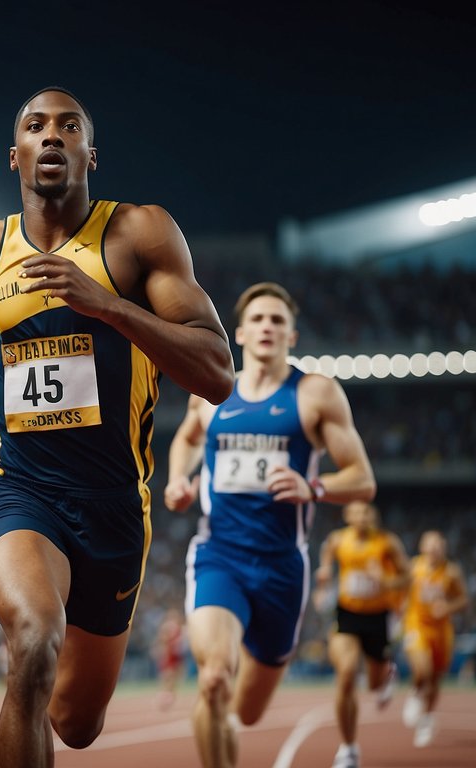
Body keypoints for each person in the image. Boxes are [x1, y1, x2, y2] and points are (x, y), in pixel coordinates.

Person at [0, 86, 235, 767]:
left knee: (77, 723)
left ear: (91, 153)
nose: (51, 136)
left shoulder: (140, 235)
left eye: (68, 126)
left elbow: (217, 371)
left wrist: (108, 306)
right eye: (35, 126)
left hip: (115, 509)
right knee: (32, 638)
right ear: (14, 155)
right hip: (21, 492)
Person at [164, 281, 377, 768]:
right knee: (214, 678)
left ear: (292, 335)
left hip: (283, 567)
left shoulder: (315, 393)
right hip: (220, 556)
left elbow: (363, 480)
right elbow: (187, 439)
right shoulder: (213, 389)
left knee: (248, 710)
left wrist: (314, 488)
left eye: (277, 320)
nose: (267, 327)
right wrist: (180, 479)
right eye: (258, 319)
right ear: (239, 333)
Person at [315, 500, 409, 768]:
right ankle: (348, 748)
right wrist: (324, 575)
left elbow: (408, 576)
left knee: (374, 685)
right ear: (347, 515)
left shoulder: (387, 543)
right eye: (356, 511)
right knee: (346, 673)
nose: (361, 516)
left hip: (378, 618)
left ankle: (387, 672)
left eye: (366, 512)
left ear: (373, 516)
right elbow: (327, 562)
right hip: (348, 614)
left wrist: (386, 581)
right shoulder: (337, 540)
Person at [400, 530, 466, 748]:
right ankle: (416, 692)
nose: (435, 549)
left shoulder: (452, 572)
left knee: (436, 678)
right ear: (422, 547)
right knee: (423, 670)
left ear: (444, 548)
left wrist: (447, 606)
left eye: (439, 545)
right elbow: (399, 590)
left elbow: (463, 599)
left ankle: (427, 718)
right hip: (416, 625)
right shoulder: (413, 568)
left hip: (441, 631)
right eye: (431, 544)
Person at [150, 607, 185, 711]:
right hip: (169, 655)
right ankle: (162, 697)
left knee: (174, 677)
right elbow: (162, 639)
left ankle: (168, 697)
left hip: (177, 656)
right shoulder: (168, 627)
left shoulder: (179, 628)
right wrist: (162, 649)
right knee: (167, 676)